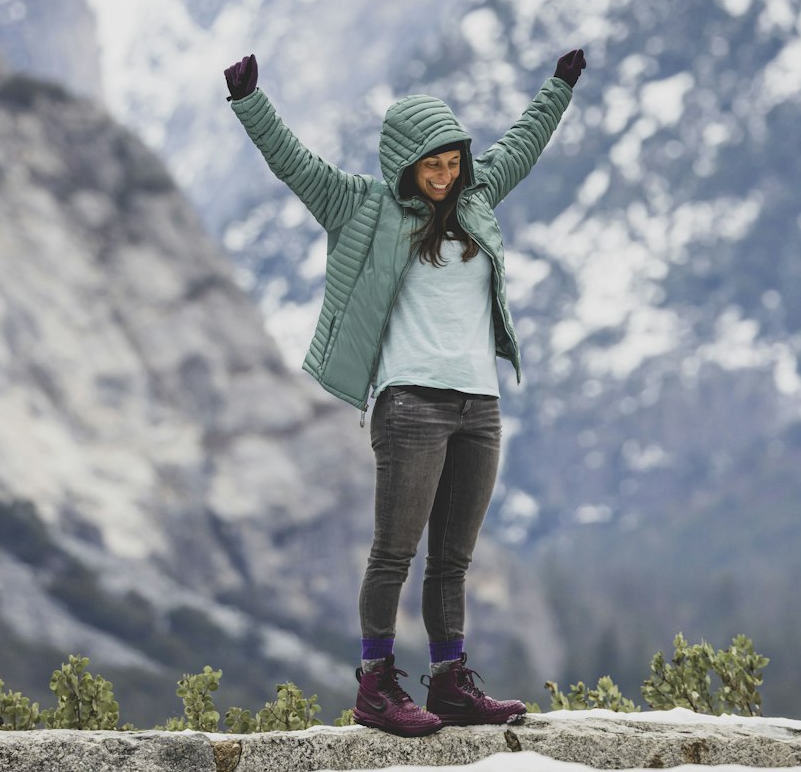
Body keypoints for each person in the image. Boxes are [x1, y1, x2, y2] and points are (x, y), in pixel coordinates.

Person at [224, 47, 586, 736]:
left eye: (453, 163)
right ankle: (376, 684)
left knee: (453, 558)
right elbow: (293, 162)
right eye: (433, 164)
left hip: (478, 404)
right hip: (410, 404)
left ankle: (449, 681)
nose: (447, 176)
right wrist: (250, 102)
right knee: (394, 551)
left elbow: (523, 143)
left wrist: (559, 86)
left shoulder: (477, 199)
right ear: (405, 161)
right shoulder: (360, 205)